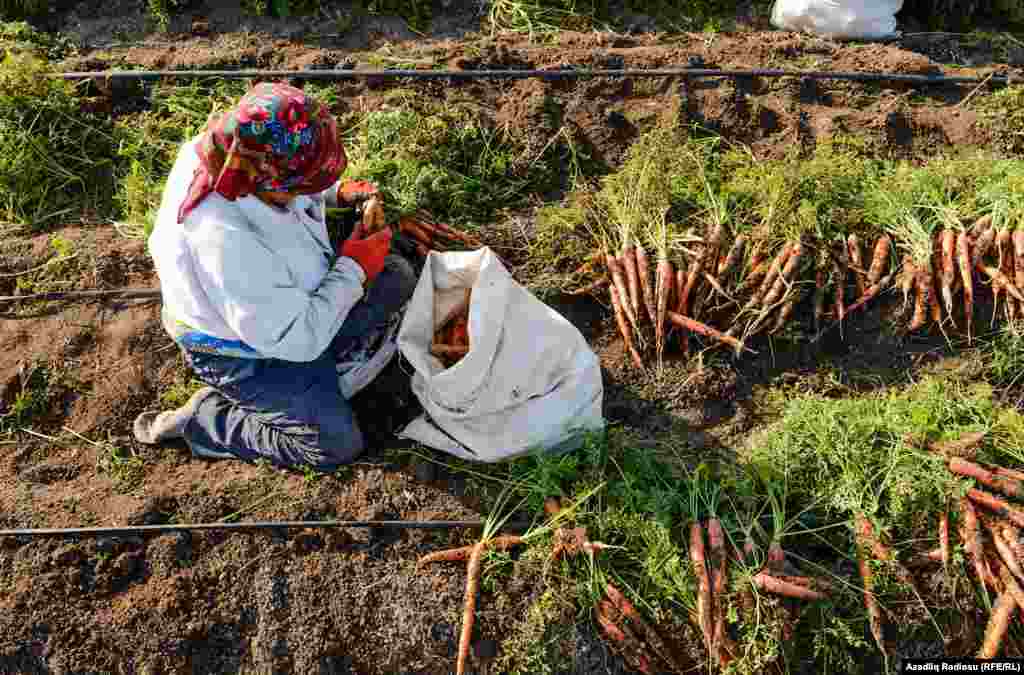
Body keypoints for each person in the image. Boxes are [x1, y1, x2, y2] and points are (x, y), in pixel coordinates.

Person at [133, 82, 417, 470]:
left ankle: (326, 377)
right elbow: (296, 340)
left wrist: (337, 193)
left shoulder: (241, 152)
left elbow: (289, 175)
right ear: (270, 180)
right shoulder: (222, 242)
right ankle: (207, 419)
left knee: (396, 274)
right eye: (303, 186)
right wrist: (354, 267)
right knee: (333, 444)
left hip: (287, 308)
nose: (305, 192)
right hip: (250, 354)